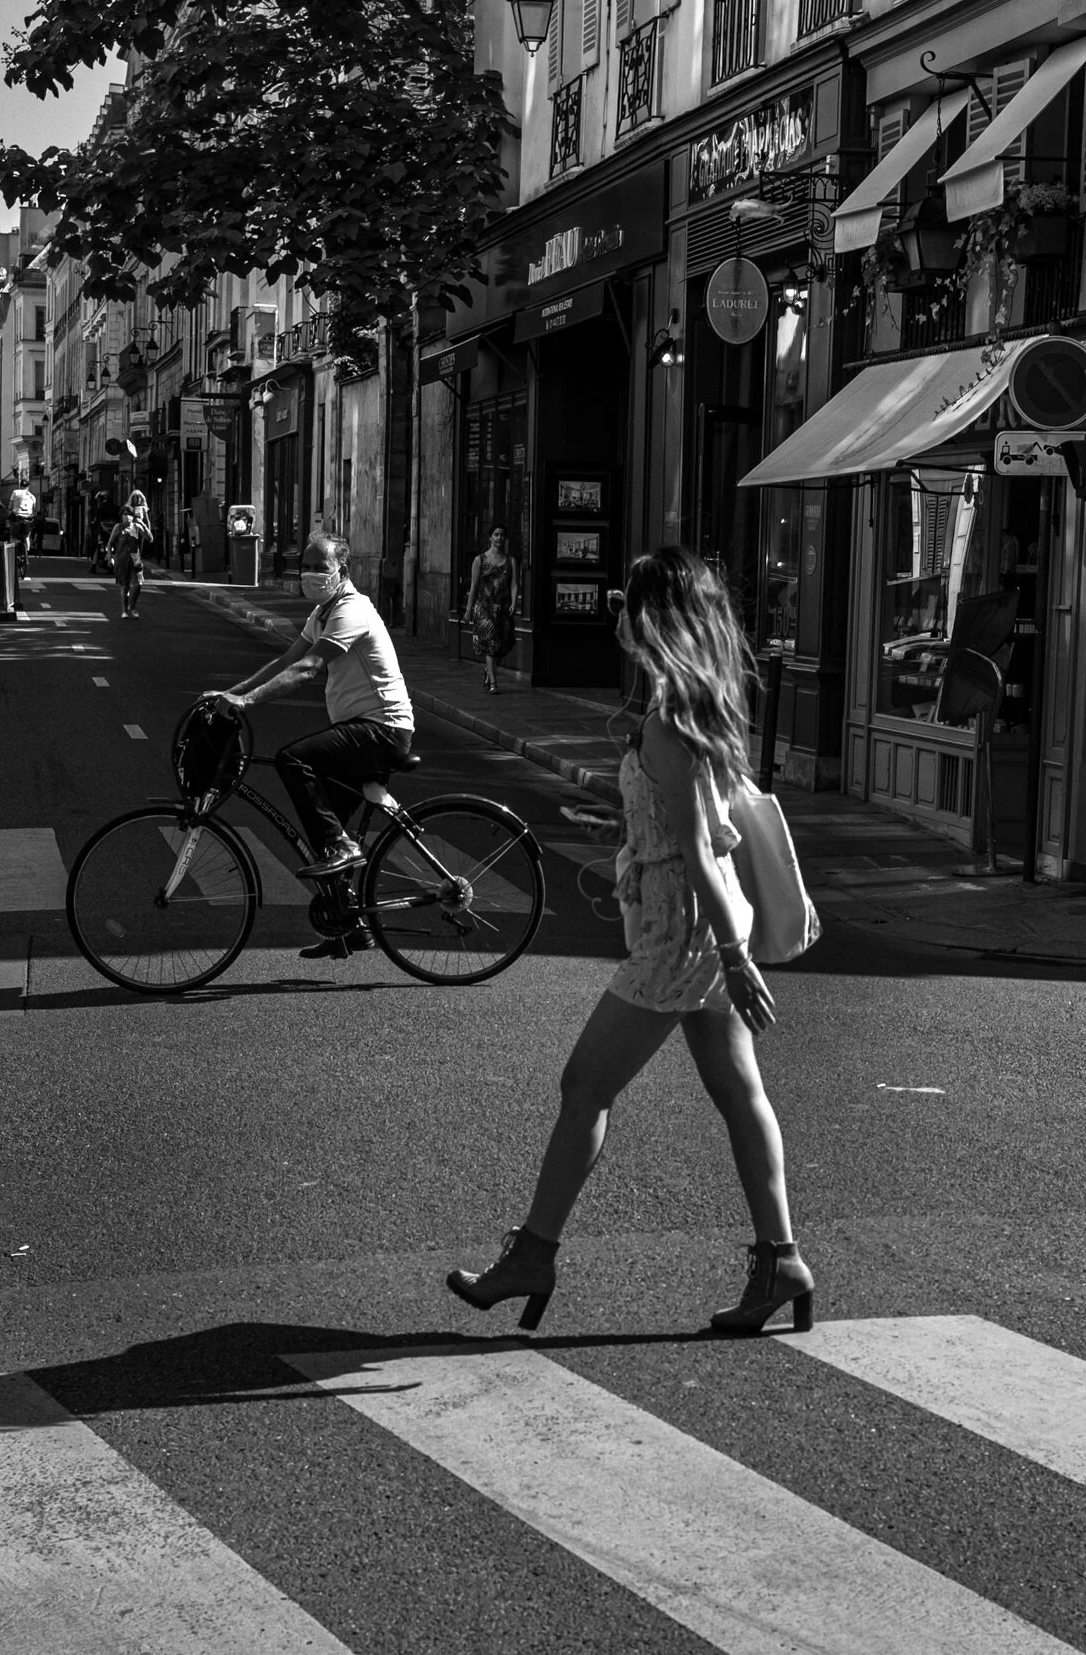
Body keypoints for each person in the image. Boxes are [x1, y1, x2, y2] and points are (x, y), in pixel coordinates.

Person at [446, 547, 814, 1337]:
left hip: (681, 933)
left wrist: (733, 959)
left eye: (628, 603)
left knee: (584, 1086)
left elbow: (700, 853)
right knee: (737, 1093)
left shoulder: (667, 725)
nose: (617, 614)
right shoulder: (698, 711)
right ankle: (780, 1260)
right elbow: (689, 831)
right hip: (702, 927)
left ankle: (533, 1255)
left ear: (652, 619)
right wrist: (627, 827)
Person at [201, 533, 415, 958]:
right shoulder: (323, 612)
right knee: (324, 826)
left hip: (383, 729)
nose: (311, 574)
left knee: (293, 760)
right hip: (359, 729)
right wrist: (231, 692)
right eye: (307, 567)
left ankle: (342, 847)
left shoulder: (352, 610)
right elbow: (287, 660)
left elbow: (308, 668)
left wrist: (248, 702)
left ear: (342, 572)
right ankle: (349, 927)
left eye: (321, 567)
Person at [464, 524, 518, 694]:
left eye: (502, 535)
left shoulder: (511, 561)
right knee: (490, 645)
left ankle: (489, 671)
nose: (499, 538)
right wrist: (468, 609)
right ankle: (494, 682)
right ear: (490, 537)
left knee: (502, 646)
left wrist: (514, 602)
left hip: (502, 609)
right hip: (485, 608)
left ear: (505, 538)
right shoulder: (480, 560)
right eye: (496, 534)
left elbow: (514, 584)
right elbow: (474, 586)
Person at [107, 492, 152, 617]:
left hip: (135, 559)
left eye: (130, 514)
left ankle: (132, 607)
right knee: (125, 586)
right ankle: (124, 610)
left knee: (138, 584)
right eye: (125, 514)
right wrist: (110, 557)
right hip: (122, 559)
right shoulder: (118, 527)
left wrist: (143, 525)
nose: (127, 517)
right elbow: (110, 543)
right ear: (121, 516)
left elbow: (150, 538)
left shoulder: (137, 526)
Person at [6, 482, 37, 581]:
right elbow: (33, 509)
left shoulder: (15, 492)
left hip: (17, 518)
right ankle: (26, 553)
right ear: (28, 486)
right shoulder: (32, 497)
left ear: (20, 486)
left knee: (13, 535)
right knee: (27, 535)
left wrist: (12, 509)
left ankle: (14, 552)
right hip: (28, 519)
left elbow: (10, 506)